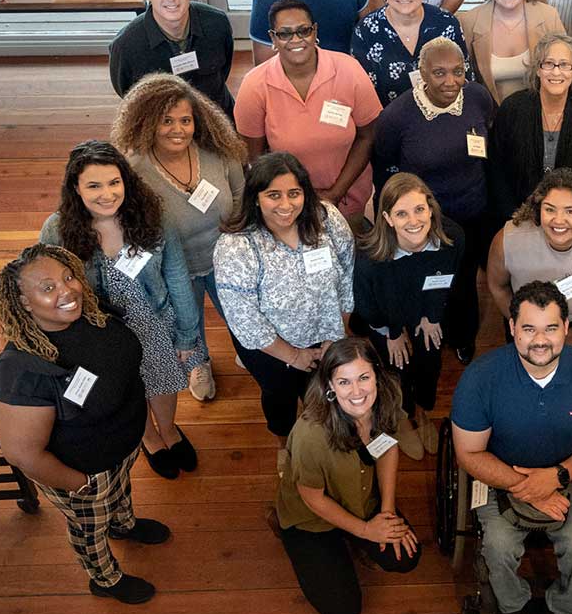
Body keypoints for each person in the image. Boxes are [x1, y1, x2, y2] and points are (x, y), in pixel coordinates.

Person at [0, 244, 169, 605]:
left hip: (121, 449)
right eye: (47, 288)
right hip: (82, 474)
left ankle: (123, 524)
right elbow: (21, 453)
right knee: (89, 528)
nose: (67, 291)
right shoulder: (23, 370)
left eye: (68, 277)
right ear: (23, 302)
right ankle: (105, 577)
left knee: (119, 493)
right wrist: (79, 485)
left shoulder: (91, 315)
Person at [451, 281, 572, 614]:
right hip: (499, 472)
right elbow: (468, 453)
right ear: (511, 328)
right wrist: (529, 489)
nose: (539, 340)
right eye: (528, 328)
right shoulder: (480, 379)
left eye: (550, 328)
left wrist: (557, 476)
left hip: (569, 470)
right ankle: (513, 609)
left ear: (566, 328)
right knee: (496, 546)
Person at [39, 141, 202, 481]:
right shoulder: (57, 229)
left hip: (153, 319)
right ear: (76, 188)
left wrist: (188, 334)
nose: (107, 194)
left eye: (114, 182)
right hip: (101, 333)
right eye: (94, 185)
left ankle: (169, 429)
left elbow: (176, 276)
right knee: (128, 388)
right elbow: (45, 285)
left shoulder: (153, 217)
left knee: (163, 381)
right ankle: (150, 437)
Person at [111, 73, 247, 402]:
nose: (178, 129)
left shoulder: (218, 151)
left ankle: (246, 347)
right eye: (167, 120)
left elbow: (241, 192)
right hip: (177, 269)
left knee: (239, 312)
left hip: (224, 257)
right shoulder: (134, 172)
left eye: (185, 120)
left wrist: (237, 226)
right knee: (190, 321)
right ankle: (199, 364)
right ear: (146, 123)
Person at [271, 338, 420, 614]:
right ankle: (295, 532)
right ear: (329, 385)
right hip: (311, 518)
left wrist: (386, 514)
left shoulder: (387, 397)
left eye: (364, 377)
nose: (357, 392)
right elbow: (313, 498)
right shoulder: (311, 434)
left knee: (405, 558)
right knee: (343, 611)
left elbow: (388, 446)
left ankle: (352, 538)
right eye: (344, 382)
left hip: (361, 499)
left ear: (377, 374)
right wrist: (366, 531)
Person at [213, 152, 355, 445]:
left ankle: (318, 447)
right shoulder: (235, 247)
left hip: (326, 336)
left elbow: (347, 277)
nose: (286, 205)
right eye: (273, 195)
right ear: (255, 197)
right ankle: (287, 447)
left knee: (324, 397)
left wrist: (335, 335)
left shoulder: (327, 219)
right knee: (280, 399)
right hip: (270, 351)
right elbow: (245, 320)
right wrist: (293, 356)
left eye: (294, 193)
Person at [372, 36, 495, 364]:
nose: (451, 81)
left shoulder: (478, 98)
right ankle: (424, 328)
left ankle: (463, 335)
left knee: (465, 280)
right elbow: (384, 168)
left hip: (472, 213)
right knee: (428, 281)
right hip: (423, 222)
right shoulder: (398, 116)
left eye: (458, 71)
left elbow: (490, 142)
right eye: (439, 73)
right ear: (421, 73)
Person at [235, 0, 381, 226]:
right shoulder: (254, 85)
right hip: (288, 208)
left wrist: (335, 193)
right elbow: (255, 158)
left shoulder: (349, 70)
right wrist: (293, 199)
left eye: (304, 30)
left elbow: (367, 136)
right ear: (273, 38)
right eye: (285, 33)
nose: (296, 40)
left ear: (315, 31)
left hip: (347, 199)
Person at [353, 172, 463, 456]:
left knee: (430, 363)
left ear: (430, 208)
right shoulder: (370, 258)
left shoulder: (452, 239)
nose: (414, 221)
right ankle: (403, 417)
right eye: (402, 214)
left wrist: (432, 315)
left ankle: (423, 411)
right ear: (388, 218)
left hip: (427, 313)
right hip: (386, 324)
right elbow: (366, 306)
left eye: (419, 210)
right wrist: (392, 333)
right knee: (395, 370)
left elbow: (449, 280)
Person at [487, 169, 572, 356]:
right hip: (523, 324)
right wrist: (519, 324)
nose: (558, 220)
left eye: (570, 211)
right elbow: (498, 286)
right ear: (538, 209)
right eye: (549, 209)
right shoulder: (508, 239)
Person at [488, 32, 572, 225]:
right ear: (538, 69)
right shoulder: (512, 109)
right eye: (548, 63)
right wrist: (513, 218)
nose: (556, 72)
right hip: (516, 217)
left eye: (564, 65)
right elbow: (497, 170)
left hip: (570, 222)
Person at [108, 0, 235, 119]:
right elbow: (128, 93)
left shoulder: (217, 23)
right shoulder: (126, 46)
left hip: (218, 117)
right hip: (164, 127)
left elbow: (224, 69)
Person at [350, 0, 473, 107]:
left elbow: (465, 81)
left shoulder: (447, 24)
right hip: (389, 122)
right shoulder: (365, 31)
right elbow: (363, 95)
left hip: (444, 117)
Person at [458, 0, 565, 105]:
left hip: (538, 114)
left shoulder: (549, 17)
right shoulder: (468, 22)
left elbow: (564, 70)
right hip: (490, 118)